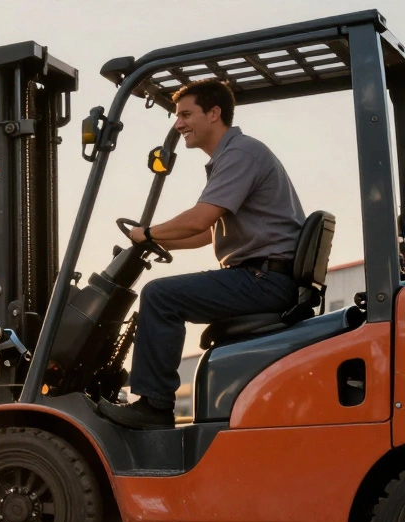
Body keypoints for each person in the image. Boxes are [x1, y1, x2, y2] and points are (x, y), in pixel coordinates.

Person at [98, 79, 304, 430]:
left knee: (160, 296)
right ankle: (152, 401)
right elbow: (209, 232)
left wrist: (146, 233)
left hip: (263, 280)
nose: (178, 124)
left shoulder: (240, 154)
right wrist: (158, 243)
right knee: (163, 293)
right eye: (177, 116)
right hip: (264, 276)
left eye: (185, 114)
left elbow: (201, 217)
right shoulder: (234, 154)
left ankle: (154, 406)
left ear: (214, 113)